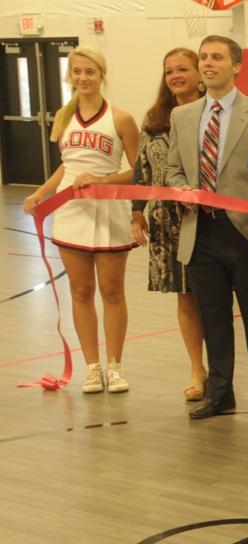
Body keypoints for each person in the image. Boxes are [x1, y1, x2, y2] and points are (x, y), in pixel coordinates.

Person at [166, 35, 248, 420]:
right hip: (200, 231)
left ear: (236, 66)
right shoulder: (182, 116)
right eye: (203, 57)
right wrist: (179, 188)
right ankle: (220, 393)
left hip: (245, 232)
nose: (208, 63)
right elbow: (173, 168)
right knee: (212, 316)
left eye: (217, 57)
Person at [22, 46, 139, 395]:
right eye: (77, 72)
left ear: (102, 75)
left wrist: (104, 181)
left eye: (90, 71)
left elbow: (138, 171)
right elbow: (67, 167)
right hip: (71, 213)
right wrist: (40, 194)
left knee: (112, 290)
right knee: (80, 290)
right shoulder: (63, 116)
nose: (84, 78)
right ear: (69, 76)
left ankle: (115, 367)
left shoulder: (121, 118)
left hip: (109, 211)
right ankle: (91, 367)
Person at [131, 47, 207, 402]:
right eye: (169, 71)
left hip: (207, 219)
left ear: (199, 72)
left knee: (216, 297)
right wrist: (136, 212)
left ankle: (223, 370)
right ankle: (197, 368)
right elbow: (140, 173)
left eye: (183, 69)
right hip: (166, 222)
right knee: (185, 297)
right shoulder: (153, 120)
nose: (175, 76)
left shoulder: (213, 112)